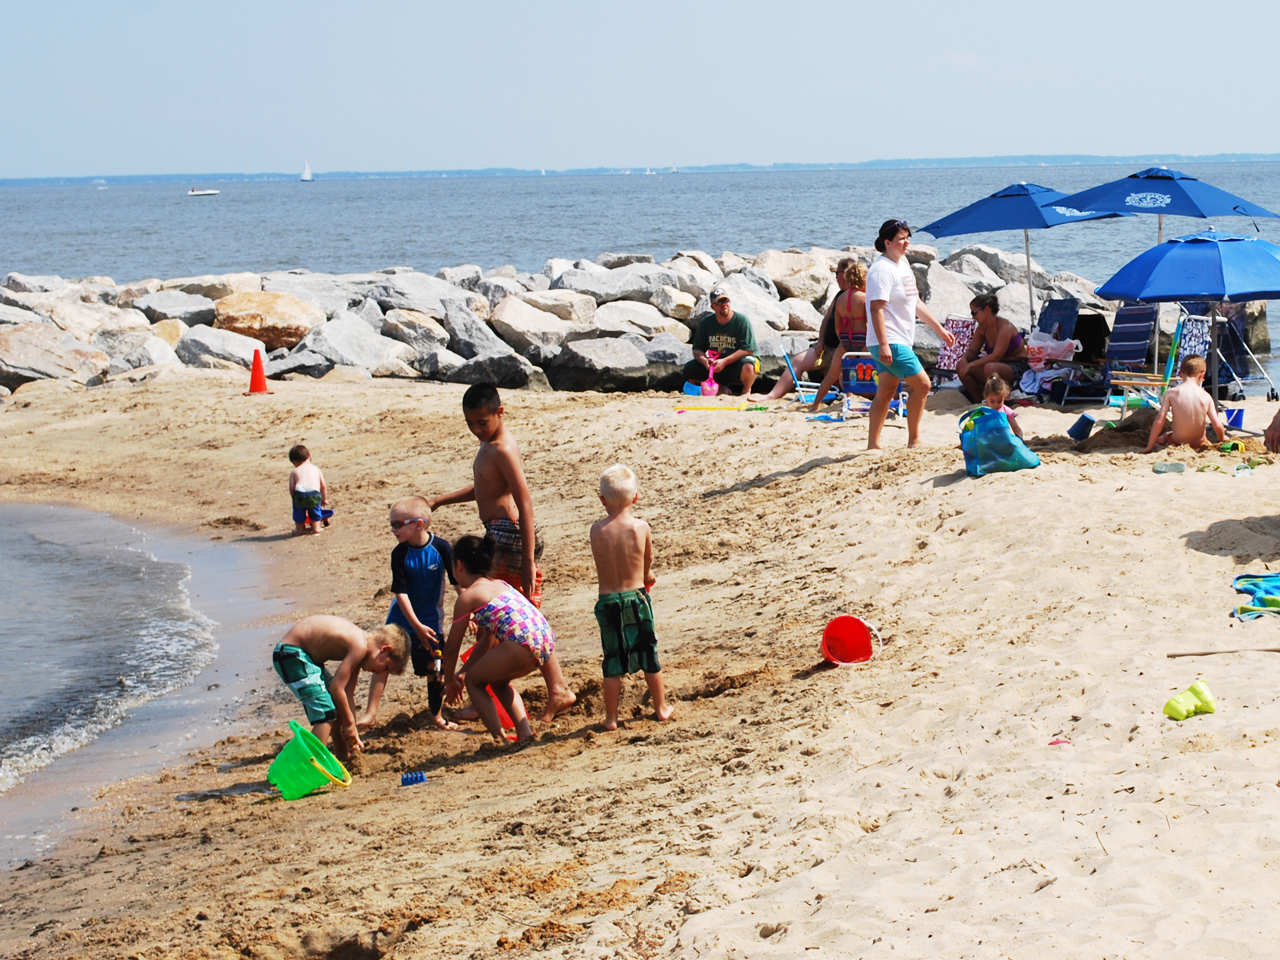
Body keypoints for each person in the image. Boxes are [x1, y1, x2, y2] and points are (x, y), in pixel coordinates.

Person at [426, 383, 576, 721]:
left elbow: (525, 502)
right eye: (470, 424)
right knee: (499, 619)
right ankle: (498, 692)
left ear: (500, 412)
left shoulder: (502, 448)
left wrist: (526, 561)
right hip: (501, 533)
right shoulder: (489, 446)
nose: (476, 429)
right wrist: (440, 500)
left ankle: (548, 689)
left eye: (482, 422)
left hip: (510, 536)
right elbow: (483, 487)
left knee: (505, 615)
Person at [441, 536, 560, 744]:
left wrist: (451, 678)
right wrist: (464, 670)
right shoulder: (499, 584)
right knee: (497, 681)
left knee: (474, 682)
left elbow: (451, 648)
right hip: (545, 640)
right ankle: (525, 732)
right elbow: (488, 641)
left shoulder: (467, 597)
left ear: (458, 565)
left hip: (521, 643)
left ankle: (500, 739)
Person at [358, 497, 458, 732]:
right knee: (383, 660)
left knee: (435, 668)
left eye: (397, 524)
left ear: (419, 524)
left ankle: (436, 715)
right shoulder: (399, 554)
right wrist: (415, 625)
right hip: (401, 619)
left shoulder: (441, 548)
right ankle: (370, 713)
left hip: (432, 619)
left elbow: (457, 582)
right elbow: (400, 594)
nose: (392, 530)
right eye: (391, 524)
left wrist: (470, 614)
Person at [589, 464, 672, 731]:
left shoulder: (596, 531)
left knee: (612, 658)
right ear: (636, 497)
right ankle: (660, 707)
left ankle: (611, 717)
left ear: (602, 500)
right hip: (636, 596)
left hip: (608, 601)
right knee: (648, 652)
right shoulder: (641, 528)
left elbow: (602, 560)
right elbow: (646, 560)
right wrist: (647, 574)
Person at [864, 219, 957, 450]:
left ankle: (873, 445)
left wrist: (940, 329)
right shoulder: (881, 270)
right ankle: (914, 439)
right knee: (923, 385)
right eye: (901, 239)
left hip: (897, 340)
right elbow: (876, 309)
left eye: (908, 237)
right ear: (887, 242)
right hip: (889, 340)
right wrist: (884, 344)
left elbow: (915, 301)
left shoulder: (902, 263)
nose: (906, 243)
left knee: (885, 392)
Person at [272, 615, 408, 760]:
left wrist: (352, 729)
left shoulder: (362, 646)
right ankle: (310, 765)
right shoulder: (359, 646)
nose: (380, 673)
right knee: (326, 713)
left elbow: (347, 693)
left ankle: (343, 758)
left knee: (336, 708)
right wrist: (349, 724)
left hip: (305, 657)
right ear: (385, 649)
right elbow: (337, 688)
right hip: (292, 654)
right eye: (386, 667)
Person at [763, 258, 867, 406]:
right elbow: (828, 320)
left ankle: (824, 404)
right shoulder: (844, 296)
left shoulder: (845, 298)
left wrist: (843, 340)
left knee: (841, 373)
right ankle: (773, 395)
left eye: (837, 273)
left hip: (844, 346)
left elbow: (839, 326)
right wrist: (821, 341)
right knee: (799, 361)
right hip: (831, 348)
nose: (835, 276)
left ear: (845, 274)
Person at [682, 288, 760, 396]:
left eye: (726, 301)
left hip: (735, 363)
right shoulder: (706, 323)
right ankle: (719, 388)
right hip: (715, 365)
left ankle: (746, 390)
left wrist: (724, 361)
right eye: (720, 302)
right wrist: (705, 361)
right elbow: (697, 349)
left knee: (749, 365)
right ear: (713, 306)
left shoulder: (741, 320)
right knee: (689, 368)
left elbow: (748, 349)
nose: (724, 304)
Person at [1143, 355, 1227, 452]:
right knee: (1205, 437)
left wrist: (1149, 446)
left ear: (1180, 374)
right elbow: (1217, 425)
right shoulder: (1206, 396)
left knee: (1163, 437)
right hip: (1198, 442)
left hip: (1177, 441)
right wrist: (1222, 440)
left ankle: (1159, 446)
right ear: (1202, 375)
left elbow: (1160, 420)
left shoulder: (1171, 393)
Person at [956, 293, 1031, 401]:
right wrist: (964, 360)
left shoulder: (1005, 326)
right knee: (961, 366)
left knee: (989, 367)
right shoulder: (982, 329)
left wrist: (971, 365)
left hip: (1016, 366)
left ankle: (996, 399)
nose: (973, 317)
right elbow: (972, 351)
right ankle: (979, 400)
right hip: (995, 365)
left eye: (974, 312)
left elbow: (996, 356)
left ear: (987, 309)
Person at [288, 444, 333, 535]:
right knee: (315, 510)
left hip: (299, 494)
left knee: (298, 513)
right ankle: (316, 527)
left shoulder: (294, 471)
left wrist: (294, 498)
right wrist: (324, 499)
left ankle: (299, 530)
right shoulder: (316, 469)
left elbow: (292, 487)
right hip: (314, 494)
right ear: (310, 457)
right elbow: (323, 486)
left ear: (294, 462)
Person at [982, 374, 1024, 440]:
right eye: (992, 401)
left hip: (1002, 440)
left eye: (999, 401)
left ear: (1005, 397)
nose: (996, 405)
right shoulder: (982, 410)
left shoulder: (1006, 411)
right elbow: (971, 426)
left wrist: (1020, 437)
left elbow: (1016, 428)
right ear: (986, 396)